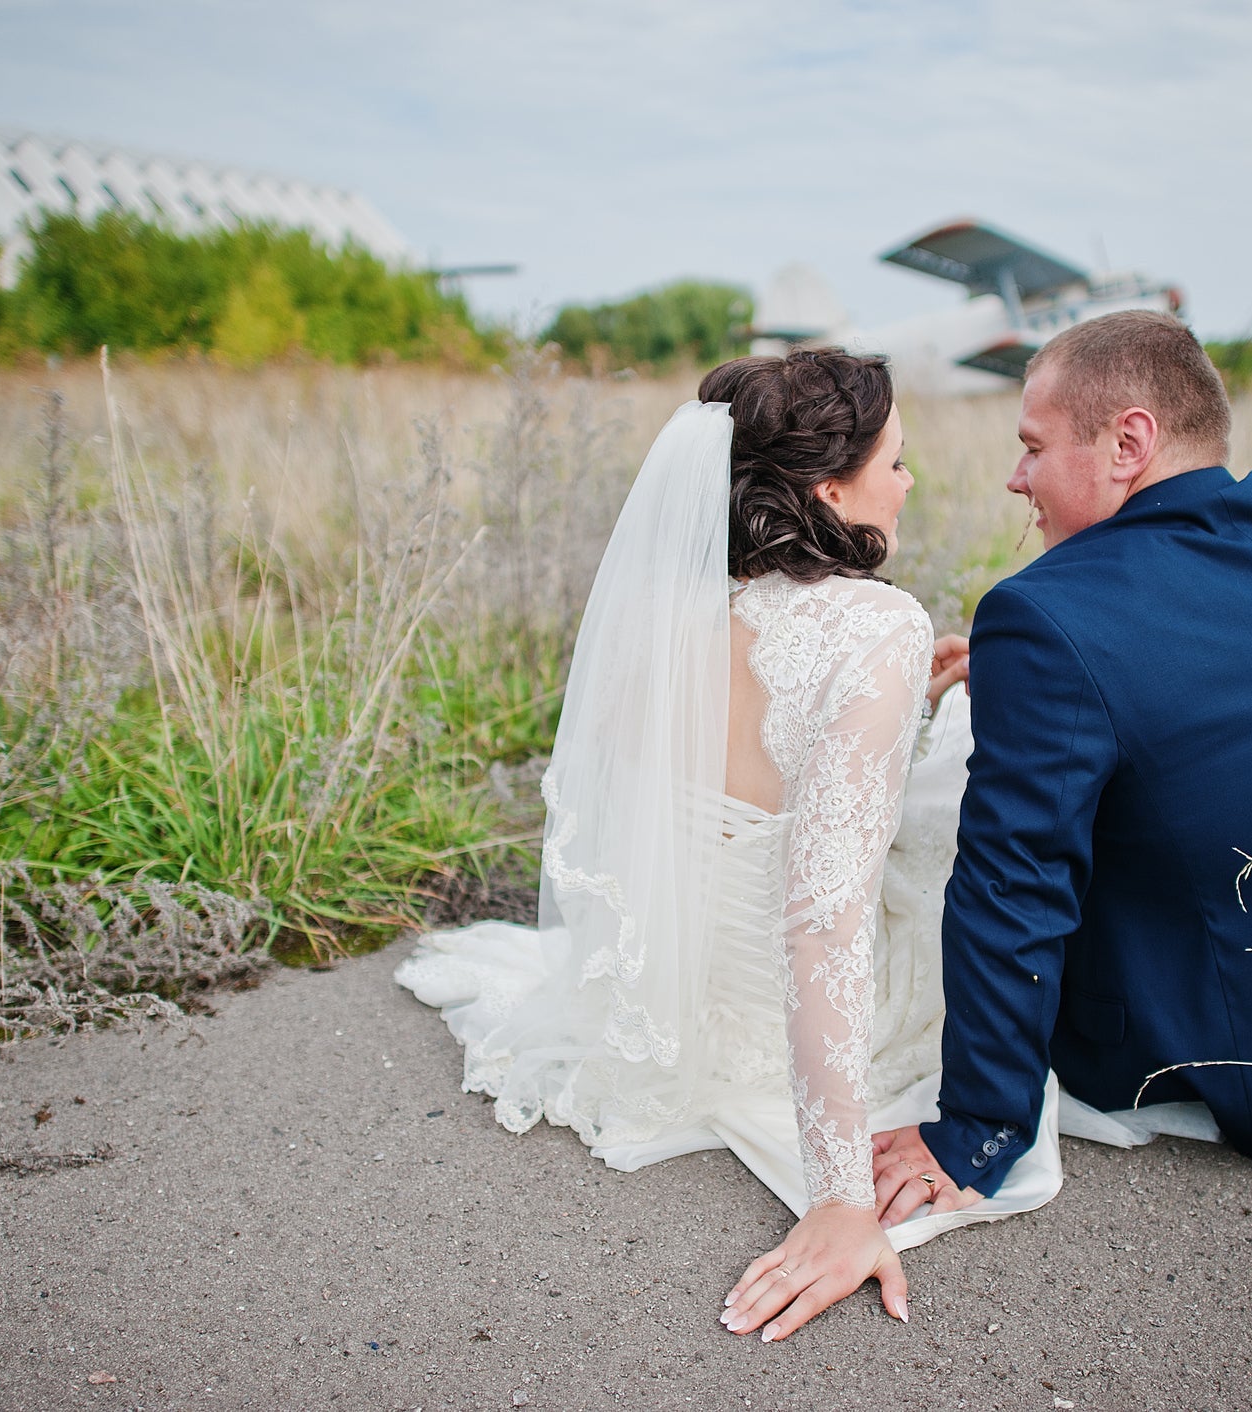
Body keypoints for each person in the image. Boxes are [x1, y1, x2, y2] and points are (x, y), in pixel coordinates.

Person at [396, 349, 1062, 1348]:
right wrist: (838, 1194)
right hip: (796, 1012)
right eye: (895, 460)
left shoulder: (664, 618)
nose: (907, 479)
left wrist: (893, 703)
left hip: (669, 1000)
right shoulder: (875, 623)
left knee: (940, 741)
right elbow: (822, 918)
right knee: (964, 798)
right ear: (828, 487)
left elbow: (703, 785)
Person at [863, 311, 1252, 1237]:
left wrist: (974, 1131)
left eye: (1033, 448)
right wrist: (1026, 682)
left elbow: (1015, 889)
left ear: (1129, 441)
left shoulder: (1043, 614)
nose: (1016, 478)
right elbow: (1215, 671)